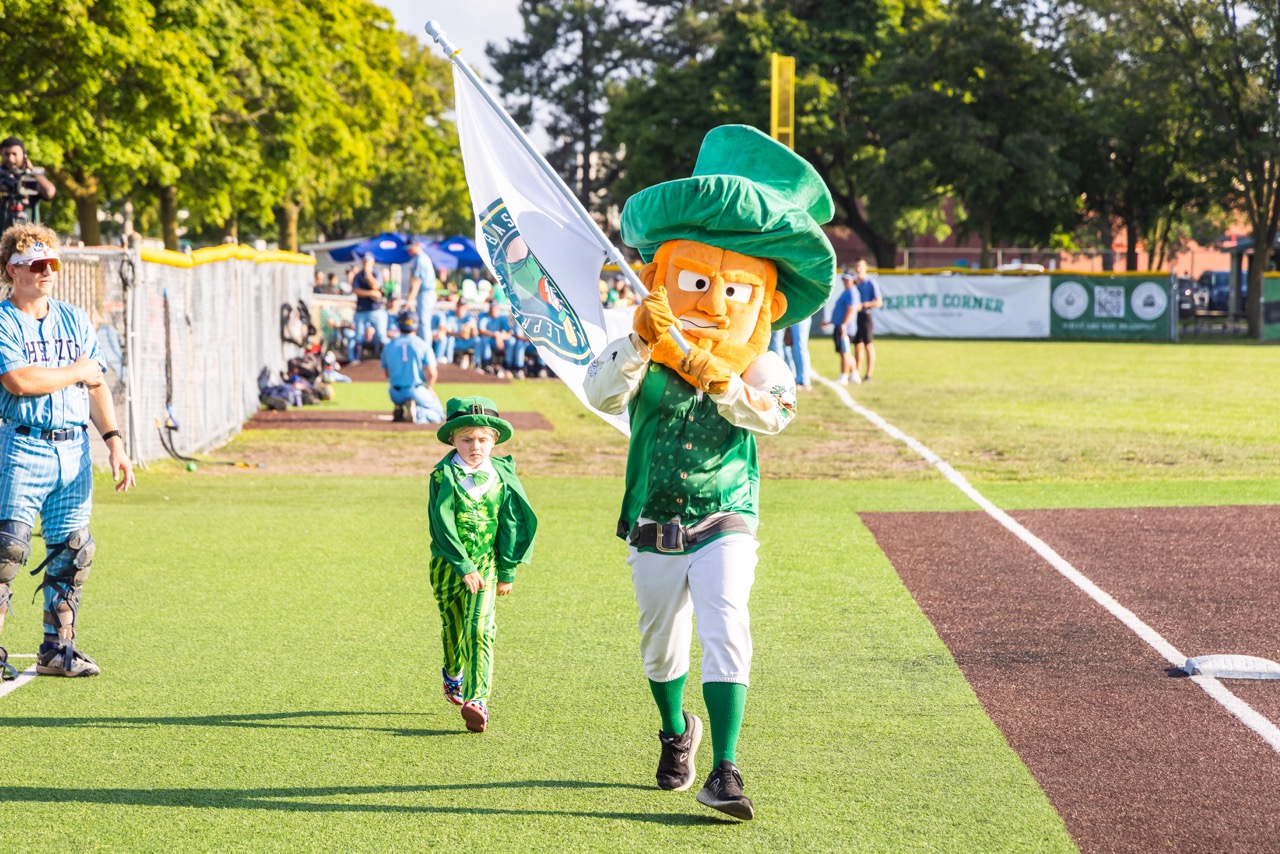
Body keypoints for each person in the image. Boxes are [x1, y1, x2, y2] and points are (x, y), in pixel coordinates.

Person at [583, 125, 834, 821]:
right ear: (665, 275)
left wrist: (713, 372)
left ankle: (726, 769)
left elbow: (773, 415)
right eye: (696, 283)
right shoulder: (642, 345)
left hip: (728, 513)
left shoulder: (762, 363)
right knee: (660, 645)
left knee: (727, 623)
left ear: (768, 302)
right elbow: (600, 396)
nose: (714, 303)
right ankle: (676, 732)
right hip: (654, 517)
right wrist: (640, 338)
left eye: (732, 289)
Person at [0, 223, 135, 681]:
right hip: (22, 444)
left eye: (51, 263)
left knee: (73, 552)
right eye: (35, 264)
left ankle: (58, 650)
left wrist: (114, 442)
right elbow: (20, 381)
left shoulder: (75, 319)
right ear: (10, 271)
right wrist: (76, 370)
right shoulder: (3, 320)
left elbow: (97, 384)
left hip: (74, 449)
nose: (46, 271)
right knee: (6, 551)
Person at [427, 396, 537, 733]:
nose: (476, 447)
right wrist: (462, 565)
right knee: (454, 626)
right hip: (449, 566)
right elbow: (441, 525)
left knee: (480, 627)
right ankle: (452, 672)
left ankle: (478, 700)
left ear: (495, 440)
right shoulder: (443, 476)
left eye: (483, 439)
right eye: (467, 439)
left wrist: (507, 570)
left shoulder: (500, 477)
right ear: (452, 440)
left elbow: (511, 524)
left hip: (487, 564)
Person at [381, 311, 443, 424]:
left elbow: (386, 372)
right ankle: (418, 413)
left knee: (402, 392)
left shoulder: (389, 345)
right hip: (416, 390)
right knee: (439, 414)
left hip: (394, 392)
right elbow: (433, 373)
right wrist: (429, 388)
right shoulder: (423, 345)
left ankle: (400, 406)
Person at [0, 138, 56, 231]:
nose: (10, 158)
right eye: (6, 154)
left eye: (14, 154)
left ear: (24, 155)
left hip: (29, 235)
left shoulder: (32, 177)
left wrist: (32, 171)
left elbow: (49, 192)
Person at [348, 254, 388, 364]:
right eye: (365, 262)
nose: (366, 264)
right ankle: (355, 359)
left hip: (376, 309)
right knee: (359, 335)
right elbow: (356, 290)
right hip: (361, 309)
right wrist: (370, 293)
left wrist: (368, 275)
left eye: (368, 262)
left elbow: (376, 286)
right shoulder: (358, 276)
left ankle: (384, 358)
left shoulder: (376, 273)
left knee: (381, 335)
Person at [852, 257, 882, 382]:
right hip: (856, 316)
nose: (858, 269)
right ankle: (857, 373)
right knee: (857, 345)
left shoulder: (870, 283)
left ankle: (869, 374)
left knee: (868, 345)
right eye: (857, 266)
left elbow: (879, 302)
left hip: (866, 315)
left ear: (866, 268)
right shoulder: (854, 283)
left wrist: (864, 305)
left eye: (861, 266)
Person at [831, 270, 862, 385]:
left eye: (847, 279)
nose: (845, 281)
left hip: (845, 328)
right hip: (842, 325)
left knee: (845, 352)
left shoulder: (852, 292)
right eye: (844, 278)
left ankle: (844, 375)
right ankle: (854, 374)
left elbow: (851, 309)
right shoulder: (847, 291)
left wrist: (844, 324)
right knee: (845, 351)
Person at [404, 240, 437, 344]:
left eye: (410, 247)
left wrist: (410, 300)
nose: (409, 250)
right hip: (426, 294)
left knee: (423, 323)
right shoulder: (421, 258)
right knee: (423, 323)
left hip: (426, 293)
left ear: (416, 245)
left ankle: (426, 353)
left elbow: (417, 281)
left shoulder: (421, 259)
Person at [476, 301, 512, 375]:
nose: (493, 310)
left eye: (495, 308)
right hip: (489, 340)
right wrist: (495, 335)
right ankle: (486, 364)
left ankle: (509, 366)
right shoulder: (483, 315)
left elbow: (509, 333)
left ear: (498, 308)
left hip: (499, 341)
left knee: (511, 341)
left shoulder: (503, 316)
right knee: (482, 339)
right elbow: (481, 331)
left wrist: (499, 336)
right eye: (492, 308)